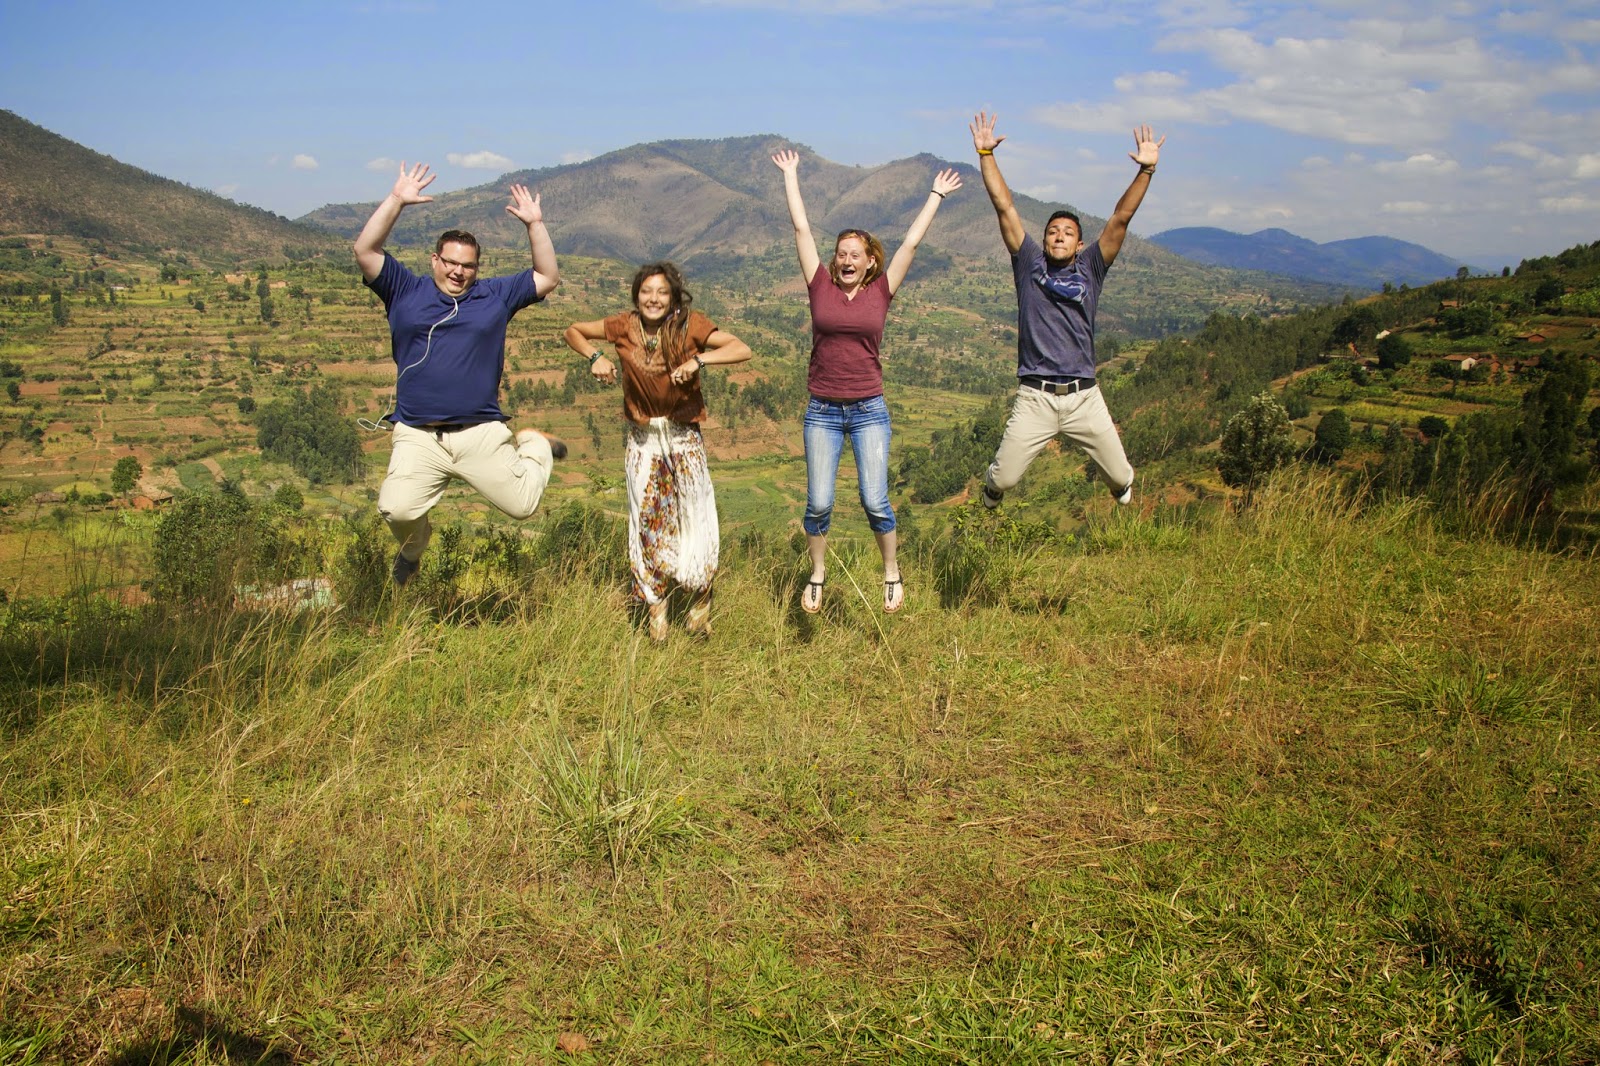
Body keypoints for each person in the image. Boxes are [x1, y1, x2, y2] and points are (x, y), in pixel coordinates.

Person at [353, 161, 563, 588]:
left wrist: (535, 224)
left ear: (477, 268)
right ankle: (413, 550)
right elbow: (366, 251)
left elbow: (547, 276)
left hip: (479, 431)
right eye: (450, 262)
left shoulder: (494, 295)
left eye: (467, 266)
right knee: (398, 510)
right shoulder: (403, 290)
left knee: (524, 506)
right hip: (418, 433)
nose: (457, 272)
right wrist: (396, 200)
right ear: (434, 259)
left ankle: (535, 445)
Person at [771, 148, 961, 615]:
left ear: (871, 262)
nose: (846, 259)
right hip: (822, 411)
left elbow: (911, 245)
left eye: (856, 254)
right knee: (818, 502)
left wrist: (935, 196)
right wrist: (791, 176)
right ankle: (817, 573)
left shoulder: (882, 289)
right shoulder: (819, 285)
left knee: (875, 498)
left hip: (869, 409)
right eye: (841, 254)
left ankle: (891, 570)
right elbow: (800, 229)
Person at [968, 112, 1163, 510]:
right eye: (1052, 231)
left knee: (1123, 478)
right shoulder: (1029, 264)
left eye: (1068, 232)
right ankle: (992, 489)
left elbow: (1121, 218)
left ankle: (1119, 484)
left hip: (1083, 397)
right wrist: (986, 153)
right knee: (1004, 477)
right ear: (1044, 240)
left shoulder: (1091, 266)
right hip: (1035, 397)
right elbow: (1004, 208)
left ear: (1079, 244)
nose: (1059, 235)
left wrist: (1146, 170)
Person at [563, 263, 751, 641]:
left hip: (684, 438)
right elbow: (573, 331)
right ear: (636, 295)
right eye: (647, 291)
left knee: (695, 520)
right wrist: (594, 357)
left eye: (662, 292)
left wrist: (698, 360)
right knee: (649, 523)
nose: (653, 299)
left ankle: (699, 609)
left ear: (673, 297)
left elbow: (740, 349)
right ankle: (657, 612)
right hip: (643, 439)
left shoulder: (689, 326)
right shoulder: (623, 326)